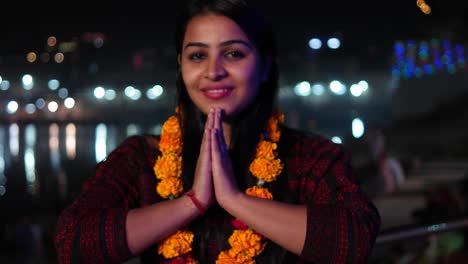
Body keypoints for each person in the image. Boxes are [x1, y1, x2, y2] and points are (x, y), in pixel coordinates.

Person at [54, 0, 381, 263]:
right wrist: (191, 203)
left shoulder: (310, 158)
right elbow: (73, 243)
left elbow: (353, 242)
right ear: (181, 67)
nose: (213, 71)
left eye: (233, 53)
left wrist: (235, 201)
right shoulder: (142, 159)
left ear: (266, 65)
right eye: (198, 55)